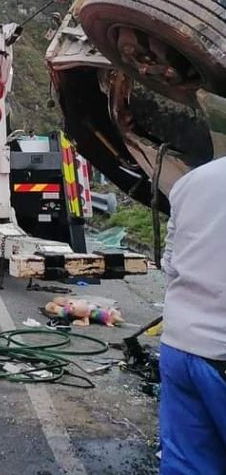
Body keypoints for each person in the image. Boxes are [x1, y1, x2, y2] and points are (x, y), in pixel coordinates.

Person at [158, 155, 226, 475]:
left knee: (187, 464)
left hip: (179, 346)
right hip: (220, 354)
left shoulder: (191, 182)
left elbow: (169, 265)